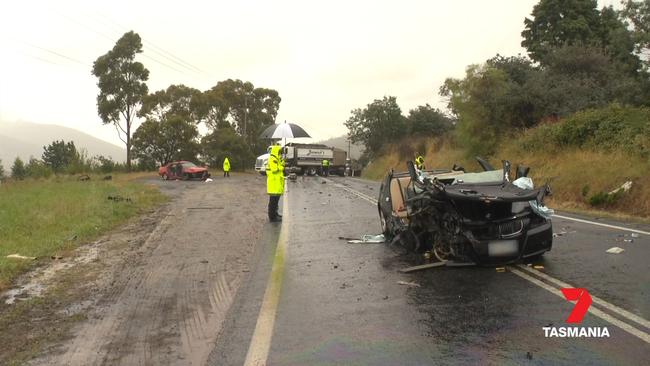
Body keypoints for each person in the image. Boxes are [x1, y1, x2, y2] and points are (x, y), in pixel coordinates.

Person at [266, 145, 285, 222]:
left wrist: (282, 162)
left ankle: (275, 214)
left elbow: (279, 165)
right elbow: (275, 169)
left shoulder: (276, 159)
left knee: (276, 201)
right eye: (280, 152)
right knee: (273, 202)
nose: (281, 154)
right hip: (273, 183)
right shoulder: (272, 159)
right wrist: (282, 167)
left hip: (276, 183)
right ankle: (272, 217)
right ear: (276, 151)